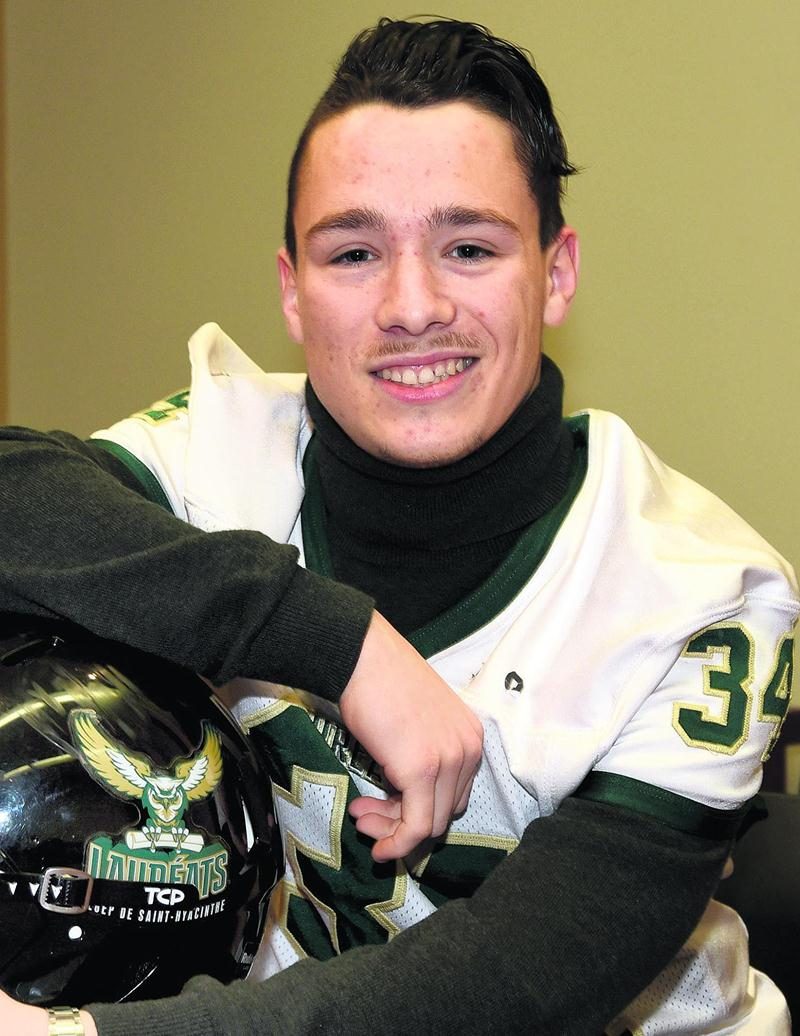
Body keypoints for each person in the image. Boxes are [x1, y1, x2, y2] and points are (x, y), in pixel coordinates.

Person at [0, 17, 797, 1036]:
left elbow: (508, 986)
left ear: (554, 272)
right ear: (291, 291)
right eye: (353, 252)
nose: (411, 305)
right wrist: (339, 643)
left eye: (467, 247)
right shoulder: (219, 451)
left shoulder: (696, 590)